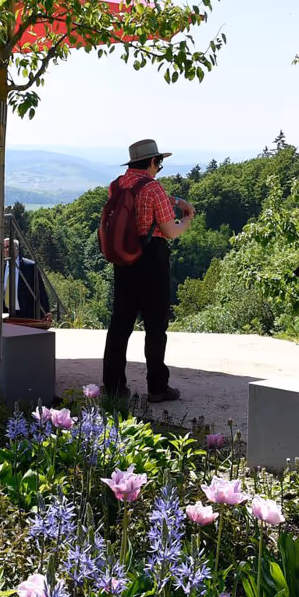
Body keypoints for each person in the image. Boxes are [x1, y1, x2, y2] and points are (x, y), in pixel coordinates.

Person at [100, 138, 191, 402]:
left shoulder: (117, 184)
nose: (159, 167)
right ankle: (157, 387)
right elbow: (170, 231)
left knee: (120, 322)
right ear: (152, 161)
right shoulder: (153, 188)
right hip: (151, 258)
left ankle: (114, 386)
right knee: (155, 324)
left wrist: (173, 199)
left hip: (124, 257)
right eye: (159, 162)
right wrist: (186, 221)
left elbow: (134, 202)